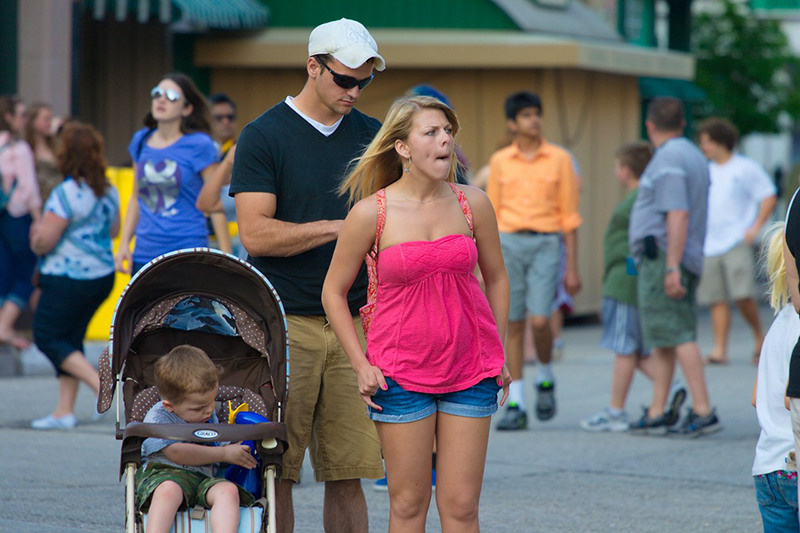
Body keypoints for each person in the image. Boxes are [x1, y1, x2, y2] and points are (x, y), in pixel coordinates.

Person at [321, 94, 511, 532]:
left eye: (448, 132)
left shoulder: (473, 203)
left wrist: (497, 351)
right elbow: (333, 291)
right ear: (402, 148)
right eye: (431, 132)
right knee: (408, 506)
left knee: (462, 508)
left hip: (472, 369)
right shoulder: (372, 212)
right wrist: (361, 365)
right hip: (400, 374)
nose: (445, 141)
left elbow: (497, 278)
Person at [226, 18, 386, 533]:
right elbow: (255, 234)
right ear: (312, 67)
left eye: (365, 81)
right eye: (344, 79)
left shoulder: (376, 134)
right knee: (278, 469)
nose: (354, 91)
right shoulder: (263, 134)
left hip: (357, 321)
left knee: (350, 470)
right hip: (283, 318)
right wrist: (341, 227)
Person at [487, 91, 582, 430]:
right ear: (513, 123)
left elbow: (569, 216)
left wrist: (572, 267)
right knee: (512, 323)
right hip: (509, 242)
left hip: (546, 242)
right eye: (526, 115)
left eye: (537, 114)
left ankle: (544, 375)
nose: (534, 120)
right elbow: (491, 215)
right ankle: (516, 402)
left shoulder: (559, 159)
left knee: (540, 321)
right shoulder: (500, 161)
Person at [628, 97, 720, 437]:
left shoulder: (668, 159)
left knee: (679, 333)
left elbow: (677, 213)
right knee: (664, 337)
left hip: (666, 258)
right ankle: (658, 408)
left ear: (650, 125)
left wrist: (671, 268)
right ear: (682, 124)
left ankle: (703, 409)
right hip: (680, 256)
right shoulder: (694, 155)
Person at [580, 141, 687, 432]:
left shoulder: (637, 199)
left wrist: (630, 275)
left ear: (625, 170)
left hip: (624, 282)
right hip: (628, 281)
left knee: (625, 348)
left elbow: (635, 246)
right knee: (636, 350)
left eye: (617, 166)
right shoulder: (643, 196)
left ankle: (616, 410)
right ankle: (672, 387)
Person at [28, 122, 119, 429]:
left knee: (47, 335)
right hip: (101, 277)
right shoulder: (108, 189)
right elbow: (115, 230)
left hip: (67, 277)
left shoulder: (66, 193)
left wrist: (36, 234)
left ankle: (98, 384)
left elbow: (44, 242)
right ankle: (63, 411)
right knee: (70, 339)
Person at [136, 344, 256, 533]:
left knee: (228, 491)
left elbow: (218, 439)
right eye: (198, 408)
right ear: (170, 406)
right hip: (165, 474)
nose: (208, 411)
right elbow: (176, 453)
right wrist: (224, 453)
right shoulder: (159, 417)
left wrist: (237, 447)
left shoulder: (207, 414)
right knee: (168, 491)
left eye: (211, 403)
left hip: (204, 478)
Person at [114, 73, 220, 276]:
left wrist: (224, 257)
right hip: (145, 254)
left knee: (190, 309)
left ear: (187, 108)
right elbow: (136, 197)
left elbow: (215, 204)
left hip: (187, 253)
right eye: (157, 93)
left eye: (171, 96)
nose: (161, 99)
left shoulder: (200, 144)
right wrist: (124, 245)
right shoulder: (141, 139)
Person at [696, 117, 776, 366]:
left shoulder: (744, 167)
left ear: (722, 142)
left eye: (708, 142)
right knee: (716, 298)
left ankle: (758, 337)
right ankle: (720, 349)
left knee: (742, 294)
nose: (705, 147)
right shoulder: (705, 170)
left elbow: (768, 195)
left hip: (736, 240)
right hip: (709, 242)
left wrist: (755, 227)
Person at [751, 222, 799, 533]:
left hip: (768, 466)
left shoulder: (779, 323)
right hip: (794, 461)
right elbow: (790, 396)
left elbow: (757, 397)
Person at [0, 95, 40, 349]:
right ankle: (4, 327)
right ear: (9, 117)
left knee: (3, 271)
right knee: (27, 273)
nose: (26, 120)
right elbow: (29, 188)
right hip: (17, 216)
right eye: (22, 114)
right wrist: (38, 221)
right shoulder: (19, 148)